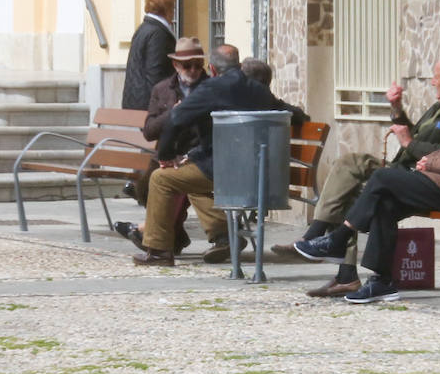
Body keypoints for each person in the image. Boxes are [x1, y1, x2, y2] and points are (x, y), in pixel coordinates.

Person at [293, 47, 440, 303]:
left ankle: (338, 239)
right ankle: (381, 281)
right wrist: (432, 160)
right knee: (385, 201)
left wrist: (433, 163)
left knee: (382, 179)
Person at [274, 54, 440, 297]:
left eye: (435, 78)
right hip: (400, 168)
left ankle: (341, 265)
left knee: (357, 198)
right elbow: (413, 134)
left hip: (423, 176)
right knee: (349, 163)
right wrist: (396, 107)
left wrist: (409, 142)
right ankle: (317, 236)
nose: (433, 83)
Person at [130, 44, 308, 266]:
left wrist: (165, 156)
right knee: (189, 172)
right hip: (260, 177)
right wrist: (303, 117)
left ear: (212, 69)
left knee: (161, 178)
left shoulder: (211, 88)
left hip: (224, 174)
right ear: (240, 66)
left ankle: (158, 251)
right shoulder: (258, 90)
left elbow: (175, 119)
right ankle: (223, 235)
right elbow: (293, 113)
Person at [115, 37, 209, 253]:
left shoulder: (210, 88)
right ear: (176, 65)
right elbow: (149, 131)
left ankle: (153, 236)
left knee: (169, 185)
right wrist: (172, 113)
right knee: (146, 187)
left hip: (196, 156)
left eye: (198, 65)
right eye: (187, 65)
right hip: (165, 157)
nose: (194, 70)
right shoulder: (162, 89)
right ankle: (174, 237)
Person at [121, 0, 177, 110]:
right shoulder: (158, 33)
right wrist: (163, 104)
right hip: (147, 104)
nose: (174, 13)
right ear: (167, 10)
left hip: (135, 100)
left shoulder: (144, 29)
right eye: (173, 8)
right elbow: (156, 73)